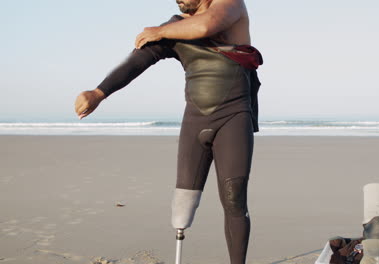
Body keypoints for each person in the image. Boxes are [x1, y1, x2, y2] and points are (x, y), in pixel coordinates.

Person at [74, 1, 262, 263]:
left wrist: (161, 31)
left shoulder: (229, 5)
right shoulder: (175, 26)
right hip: (194, 123)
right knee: (183, 203)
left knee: (234, 199)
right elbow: (139, 60)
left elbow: (207, 24)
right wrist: (99, 93)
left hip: (233, 118)